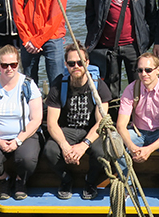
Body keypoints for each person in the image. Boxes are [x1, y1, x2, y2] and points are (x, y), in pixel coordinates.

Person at [85, 0, 157, 99]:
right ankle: (112, 120)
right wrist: (95, 38)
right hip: (106, 46)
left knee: (138, 87)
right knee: (109, 91)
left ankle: (137, 121)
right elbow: (90, 13)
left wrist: (146, 41)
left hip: (134, 45)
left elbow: (152, 16)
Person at [43, 41, 111, 201]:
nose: (76, 66)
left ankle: (91, 181)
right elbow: (52, 123)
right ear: (66, 64)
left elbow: (101, 123)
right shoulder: (59, 85)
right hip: (68, 130)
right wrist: (65, 146)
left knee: (102, 151)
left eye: (80, 62)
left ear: (87, 63)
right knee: (50, 150)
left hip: (91, 130)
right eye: (72, 63)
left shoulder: (98, 86)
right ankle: (66, 179)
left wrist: (84, 145)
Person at [0, 45, 43, 201]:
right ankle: (4, 179)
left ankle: (21, 180)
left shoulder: (28, 85)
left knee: (27, 159)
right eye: (4, 65)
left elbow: (36, 119)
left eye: (13, 64)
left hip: (25, 134)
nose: (9, 69)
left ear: (18, 64)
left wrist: (18, 140)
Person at [117, 53, 159, 207]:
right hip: (138, 132)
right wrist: (132, 147)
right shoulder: (131, 89)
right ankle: (128, 185)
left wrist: (148, 150)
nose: (143, 74)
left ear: (158, 70)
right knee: (115, 142)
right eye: (140, 70)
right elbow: (121, 125)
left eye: (148, 70)